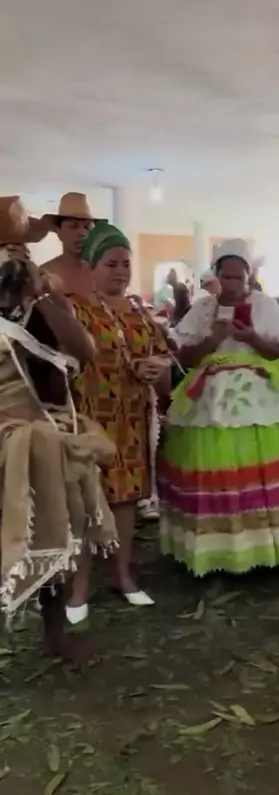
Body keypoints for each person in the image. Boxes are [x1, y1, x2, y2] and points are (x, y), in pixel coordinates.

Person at [158, 238, 279, 576]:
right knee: (216, 466)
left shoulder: (264, 305)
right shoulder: (203, 308)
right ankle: (221, 550)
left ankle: (273, 546)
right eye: (226, 276)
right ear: (217, 275)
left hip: (260, 393)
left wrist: (252, 337)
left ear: (249, 275)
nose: (232, 284)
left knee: (263, 465)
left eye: (239, 277)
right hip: (210, 398)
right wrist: (212, 340)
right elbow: (184, 356)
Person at [0, 197, 117, 661]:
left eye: (19, 254)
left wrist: (50, 305)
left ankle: (54, 635)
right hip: (10, 440)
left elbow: (84, 353)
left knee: (58, 529)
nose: (15, 264)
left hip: (47, 436)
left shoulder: (43, 306)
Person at [63, 221, 171, 623]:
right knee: (86, 502)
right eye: (111, 264)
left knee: (125, 501)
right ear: (91, 266)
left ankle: (123, 576)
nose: (121, 271)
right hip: (89, 421)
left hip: (131, 421)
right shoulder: (75, 309)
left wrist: (154, 366)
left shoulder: (140, 312)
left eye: (126, 263)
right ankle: (78, 588)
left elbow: (162, 354)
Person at [40, 192, 101, 291]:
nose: (82, 233)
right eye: (73, 226)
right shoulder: (46, 273)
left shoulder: (101, 272)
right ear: (59, 231)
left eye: (87, 227)